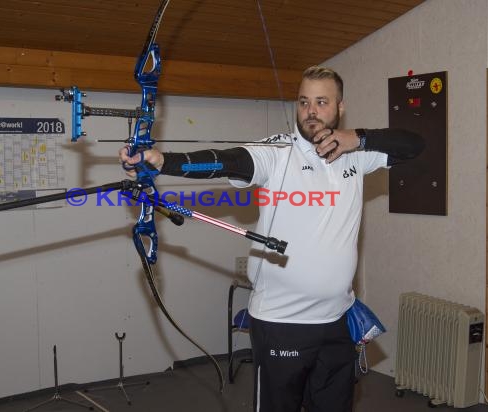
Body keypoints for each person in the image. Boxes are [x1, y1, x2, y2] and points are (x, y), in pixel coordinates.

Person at [119, 66, 424, 412]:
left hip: (337, 323)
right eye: (303, 101)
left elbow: (415, 144)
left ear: (340, 107)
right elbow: (227, 161)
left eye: (321, 102)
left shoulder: (356, 155)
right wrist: (163, 161)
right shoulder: (276, 153)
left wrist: (357, 139)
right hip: (282, 324)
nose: (310, 111)